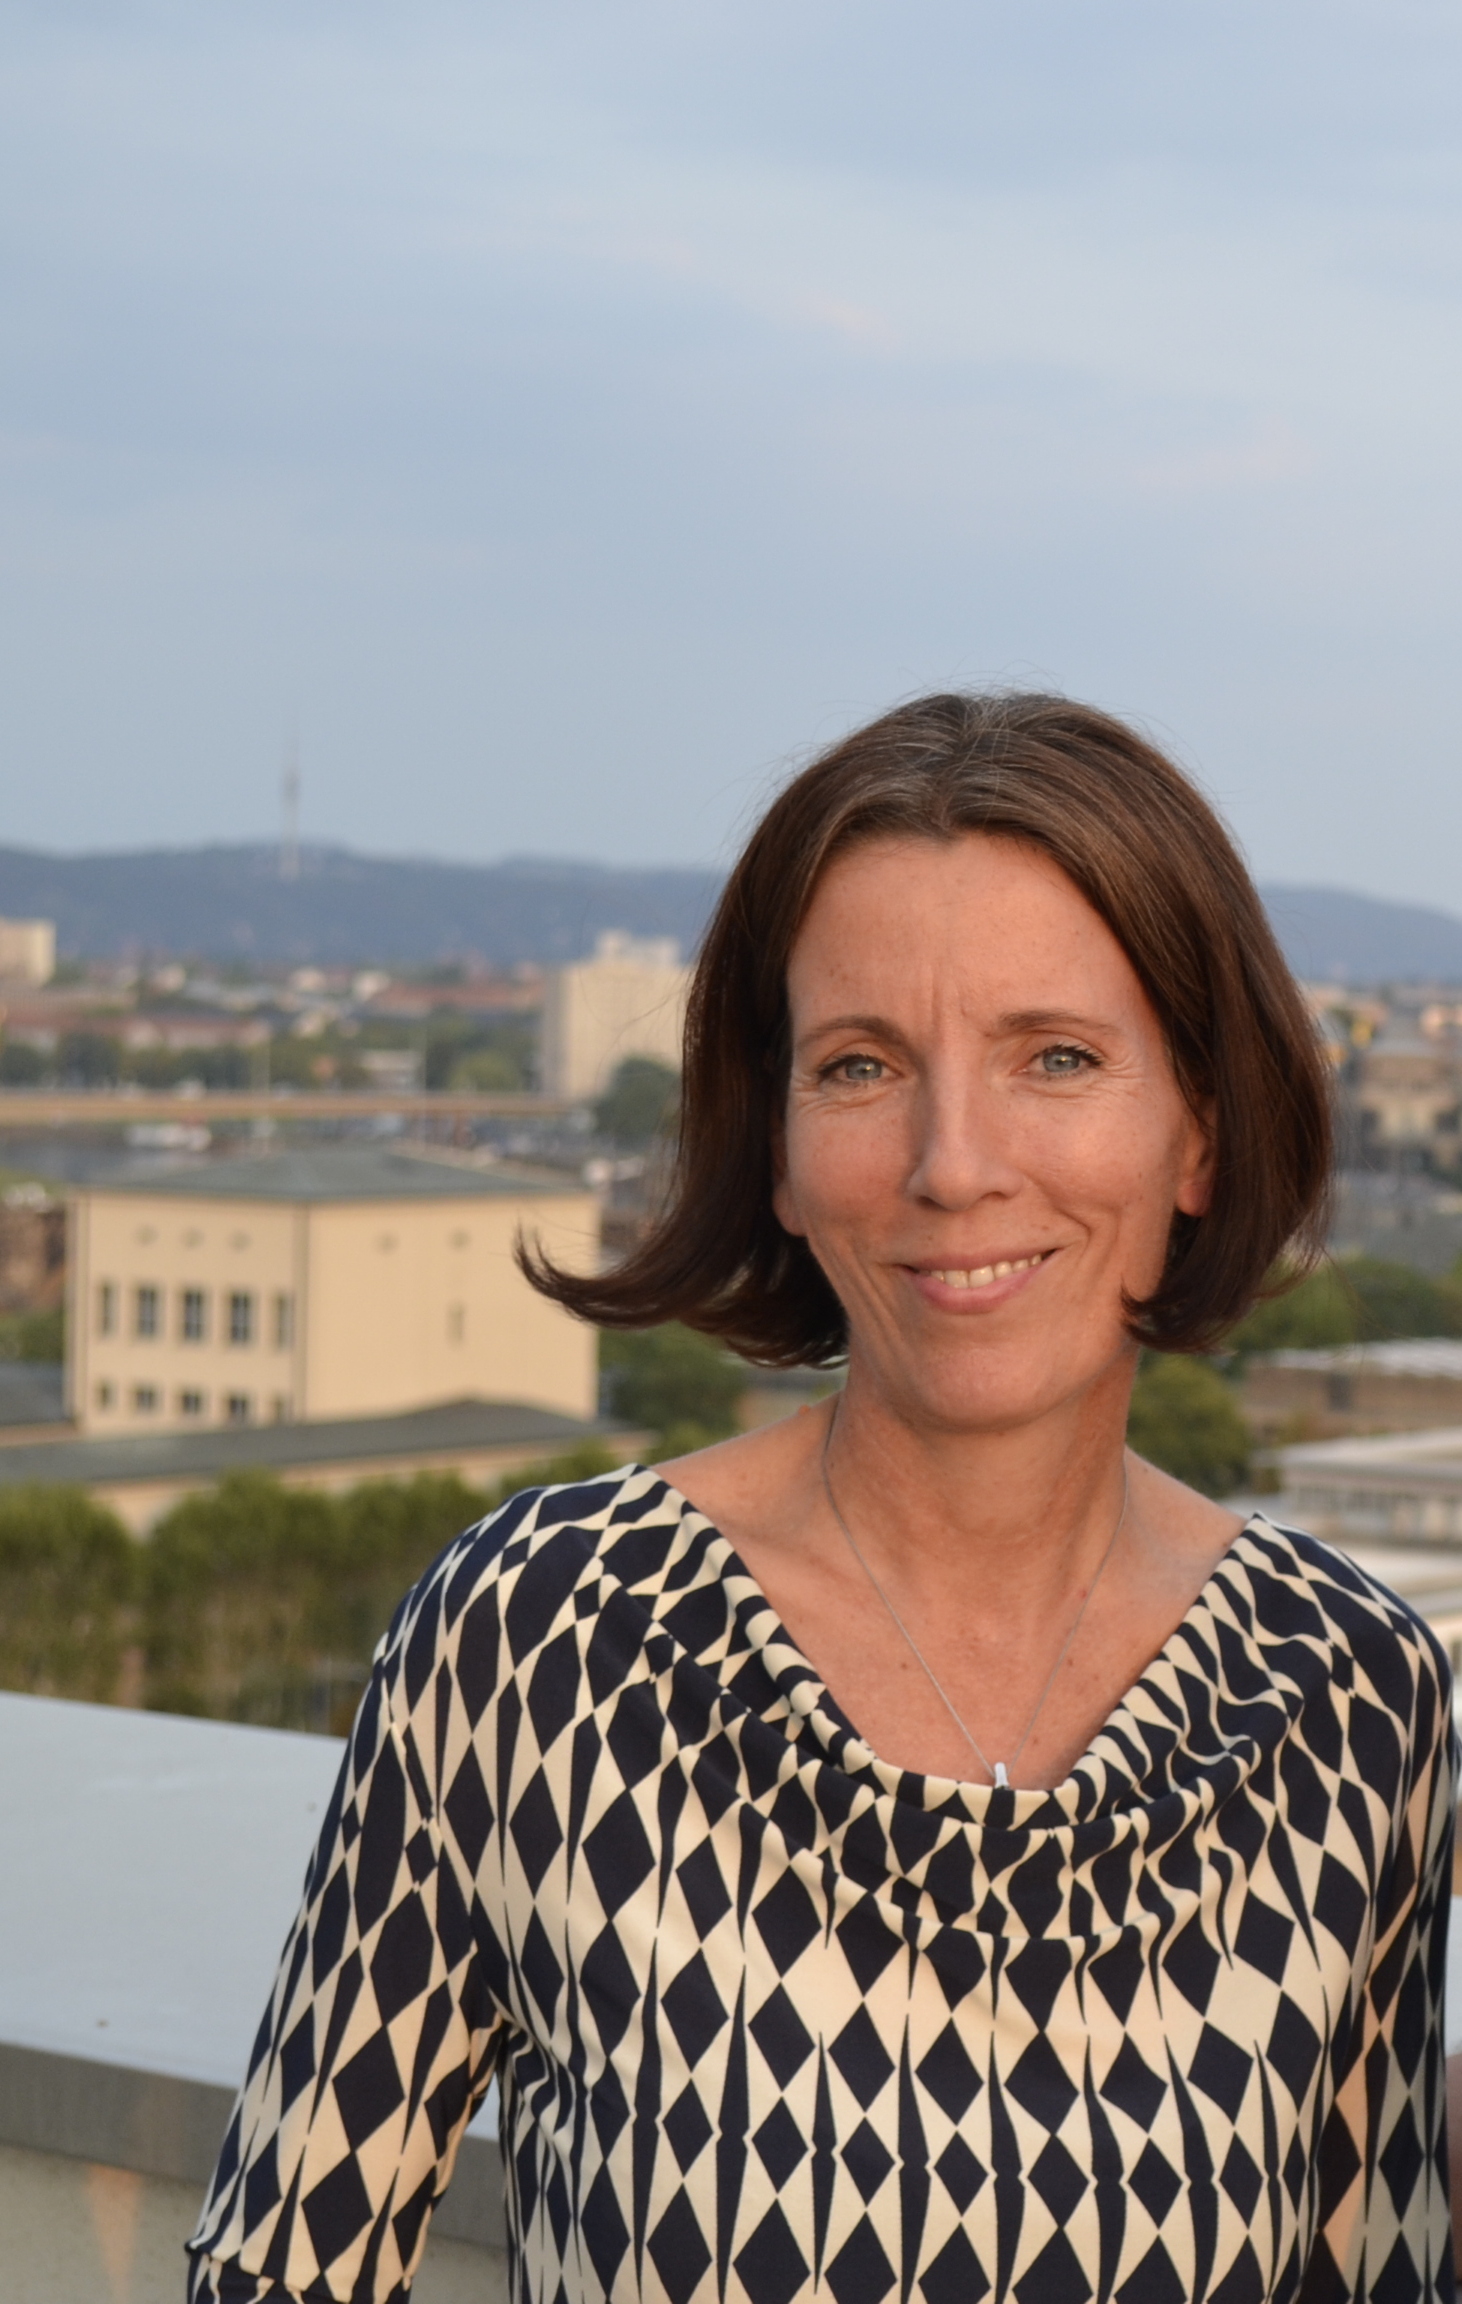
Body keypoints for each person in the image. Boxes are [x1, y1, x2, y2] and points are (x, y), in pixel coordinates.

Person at [187, 693, 1454, 2304]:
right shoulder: (541, 1640)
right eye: (860, 1067)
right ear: (777, 1150)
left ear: (1196, 1131)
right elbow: (281, 2272)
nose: (951, 1162)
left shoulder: (1342, 1692)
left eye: (1055, 1058)